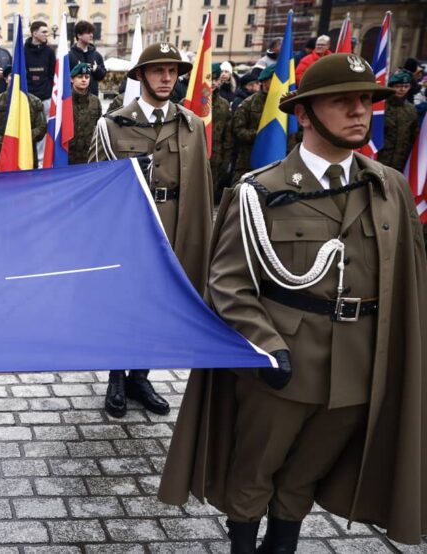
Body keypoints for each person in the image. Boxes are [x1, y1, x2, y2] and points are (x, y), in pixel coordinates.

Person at [158, 52, 427, 552]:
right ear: (304, 113)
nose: (359, 111)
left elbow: (409, 279)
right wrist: (266, 345)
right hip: (283, 366)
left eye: (365, 100)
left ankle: (282, 544)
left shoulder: (389, 187)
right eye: (342, 101)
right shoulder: (258, 192)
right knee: (253, 473)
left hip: (358, 368)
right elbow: (228, 283)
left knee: (305, 475)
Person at [88, 42, 213, 419]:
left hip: (174, 223)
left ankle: (140, 375)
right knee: (123, 301)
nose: (166, 78)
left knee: (161, 302)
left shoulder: (191, 125)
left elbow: (202, 186)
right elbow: (96, 185)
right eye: (158, 70)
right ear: (140, 75)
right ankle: (115, 375)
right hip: (128, 229)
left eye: (173, 71)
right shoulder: (112, 125)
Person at [0, 66, 46, 170]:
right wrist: (7, 143)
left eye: (19, 76)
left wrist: (23, 139)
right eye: (11, 76)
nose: (15, 79)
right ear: (5, 79)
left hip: (27, 155)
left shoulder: (35, 102)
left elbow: (42, 127)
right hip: (2, 155)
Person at [231, 64, 274, 183]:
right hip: (249, 161)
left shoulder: (285, 103)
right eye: (274, 80)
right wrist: (260, 135)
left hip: (277, 160)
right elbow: (238, 130)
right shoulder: (249, 103)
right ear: (264, 82)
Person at [377, 70, 420, 172]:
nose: (402, 89)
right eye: (398, 86)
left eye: (406, 86)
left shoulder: (411, 109)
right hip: (380, 160)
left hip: (401, 163)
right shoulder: (381, 107)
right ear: (391, 86)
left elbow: (413, 136)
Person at [67, 62, 101, 165]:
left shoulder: (95, 101)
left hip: (89, 155)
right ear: (71, 79)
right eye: (80, 76)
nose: (84, 79)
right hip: (68, 155)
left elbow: (98, 127)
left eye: (87, 77)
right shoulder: (65, 101)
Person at [68, 20, 107, 97]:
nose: (91, 35)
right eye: (88, 33)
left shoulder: (96, 55)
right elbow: (64, 78)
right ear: (79, 35)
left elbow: (102, 75)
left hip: (92, 97)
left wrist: (96, 69)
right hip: (73, 98)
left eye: (92, 33)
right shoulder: (69, 55)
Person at [25, 21, 56, 104]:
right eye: (44, 32)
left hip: (45, 98)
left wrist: (48, 91)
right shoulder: (23, 51)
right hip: (27, 97)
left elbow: (52, 75)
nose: (46, 34)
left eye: (47, 32)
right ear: (34, 33)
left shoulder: (50, 52)